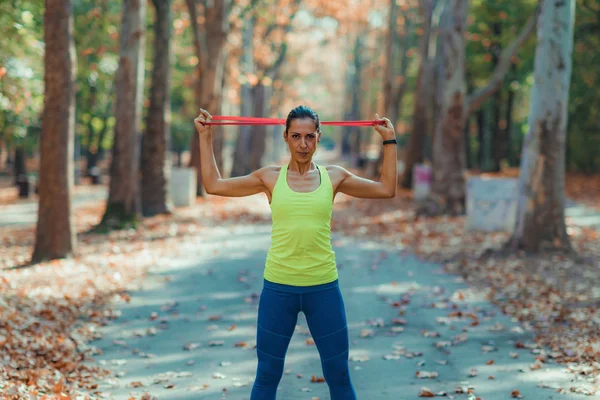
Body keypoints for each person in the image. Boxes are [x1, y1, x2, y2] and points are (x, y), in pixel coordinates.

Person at [194, 105, 397, 400]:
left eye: (310, 137)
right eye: (296, 136)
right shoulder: (270, 177)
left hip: (323, 289)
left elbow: (386, 189)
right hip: (278, 289)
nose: (303, 144)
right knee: (267, 374)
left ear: (318, 137)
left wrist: (389, 141)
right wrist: (205, 137)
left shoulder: (334, 177)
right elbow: (214, 185)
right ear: (286, 137)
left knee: (338, 374)